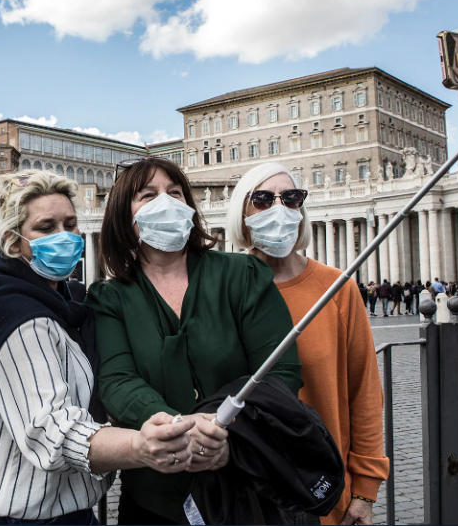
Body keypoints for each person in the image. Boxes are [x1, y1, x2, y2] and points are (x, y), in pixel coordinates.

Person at [0, 171, 196, 525]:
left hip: (65, 510)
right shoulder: (17, 319)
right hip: (19, 516)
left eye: (70, 224)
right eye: (46, 227)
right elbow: (52, 431)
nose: (63, 236)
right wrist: (140, 446)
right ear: (13, 241)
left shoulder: (65, 304)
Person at [86, 158, 302, 525]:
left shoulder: (243, 274)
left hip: (248, 488)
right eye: (148, 195)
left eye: (175, 193)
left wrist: (228, 438)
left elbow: (280, 371)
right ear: (125, 216)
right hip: (153, 501)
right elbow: (117, 381)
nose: (166, 202)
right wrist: (179, 430)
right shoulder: (109, 298)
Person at [226, 162, 389, 525]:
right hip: (245, 493)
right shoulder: (224, 289)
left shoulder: (338, 288)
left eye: (292, 198)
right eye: (264, 199)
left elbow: (364, 394)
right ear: (243, 211)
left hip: (323, 491)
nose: (280, 209)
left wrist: (365, 490)